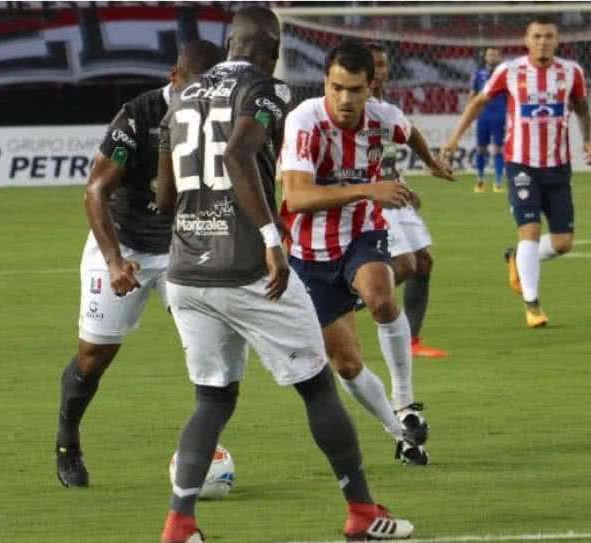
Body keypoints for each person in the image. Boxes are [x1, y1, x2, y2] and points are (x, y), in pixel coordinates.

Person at [155, 9, 412, 542]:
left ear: (229, 43)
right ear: (273, 52)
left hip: (186, 269)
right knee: (318, 387)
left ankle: (180, 524)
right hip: (248, 268)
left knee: (213, 398)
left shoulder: (182, 93)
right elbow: (238, 153)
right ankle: (362, 513)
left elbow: (164, 198)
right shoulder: (266, 90)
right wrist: (272, 239)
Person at [54, 39, 224, 489]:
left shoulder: (217, 120)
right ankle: (68, 440)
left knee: (209, 352)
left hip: (180, 250)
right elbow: (95, 192)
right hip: (122, 245)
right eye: (192, 90)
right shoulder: (138, 115)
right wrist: (113, 261)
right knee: (94, 357)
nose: (199, 101)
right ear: (174, 78)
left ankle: (201, 455)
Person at [279, 40, 454, 466]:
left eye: (355, 89)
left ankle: (406, 400)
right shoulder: (304, 121)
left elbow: (408, 131)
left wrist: (430, 161)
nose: (345, 99)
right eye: (337, 87)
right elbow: (297, 198)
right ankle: (401, 434)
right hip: (309, 251)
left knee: (379, 295)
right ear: (325, 82)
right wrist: (367, 189)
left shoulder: (383, 118)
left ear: (369, 86)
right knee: (346, 364)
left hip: (362, 232)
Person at [440, 16, 591, 328]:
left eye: (548, 36)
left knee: (564, 242)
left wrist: (588, 140)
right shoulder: (509, 71)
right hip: (521, 164)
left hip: (558, 165)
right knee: (530, 230)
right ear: (527, 40)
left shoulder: (571, 72)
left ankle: (517, 259)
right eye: (536, 36)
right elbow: (479, 101)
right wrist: (455, 138)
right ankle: (532, 304)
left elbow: (581, 106)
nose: (542, 42)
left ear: (557, 40)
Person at [367, 42, 448, 359]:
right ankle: (337, 304)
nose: (378, 72)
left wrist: (401, 181)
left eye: (383, 65)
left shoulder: (385, 107)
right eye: (372, 65)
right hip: (369, 193)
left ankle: (412, 342)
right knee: (404, 264)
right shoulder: (350, 103)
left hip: (390, 185)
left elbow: (398, 140)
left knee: (423, 262)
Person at [469, 47, 507, 193]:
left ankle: (497, 182)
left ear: (499, 58)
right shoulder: (478, 75)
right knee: (481, 149)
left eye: (495, 54)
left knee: (499, 149)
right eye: (490, 54)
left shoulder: (504, 75)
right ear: (485, 57)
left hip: (500, 116)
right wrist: (471, 112)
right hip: (483, 116)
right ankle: (480, 180)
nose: (492, 57)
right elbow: (472, 95)